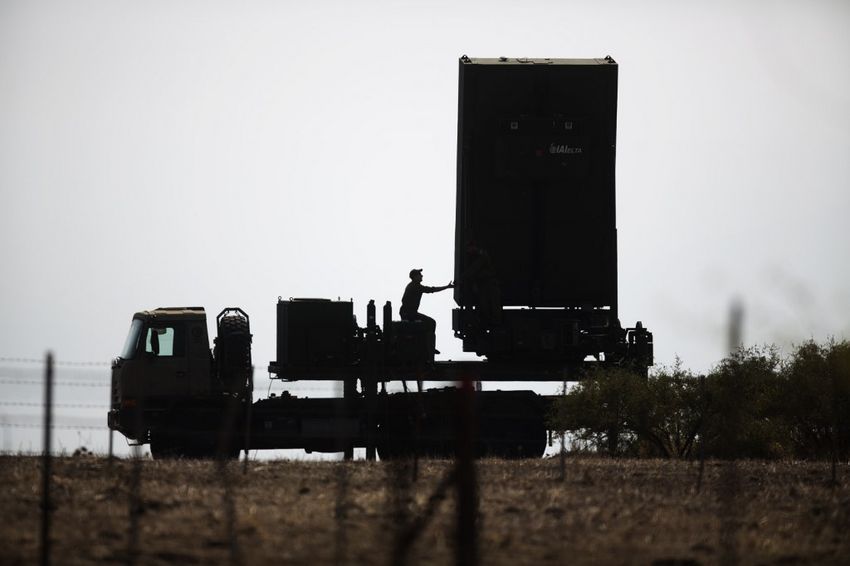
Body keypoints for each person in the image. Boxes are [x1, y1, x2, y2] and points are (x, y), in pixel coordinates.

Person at [400, 269, 453, 354]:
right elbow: (432, 290)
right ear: (415, 277)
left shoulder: (413, 286)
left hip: (408, 313)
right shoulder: (415, 286)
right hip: (409, 313)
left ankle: (428, 346)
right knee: (432, 323)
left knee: (427, 324)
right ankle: (430, 347)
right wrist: (447, 287)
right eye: (419, 274)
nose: (422, 276)